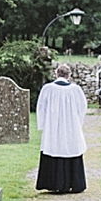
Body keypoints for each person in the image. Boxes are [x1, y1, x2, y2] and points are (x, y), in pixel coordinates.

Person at [35, 63, 87, 193]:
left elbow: (41, 107)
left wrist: (43, 125)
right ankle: (74, 183)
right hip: (71, 126)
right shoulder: (76, 90)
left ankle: (54, 183)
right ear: (69, 75)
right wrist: (77, 123)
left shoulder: (47, 89)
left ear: (56, 74)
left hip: (52, 127)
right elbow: (82, 107)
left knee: (54, 148)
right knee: (71, 147)